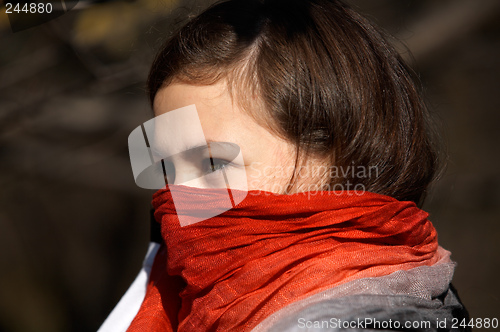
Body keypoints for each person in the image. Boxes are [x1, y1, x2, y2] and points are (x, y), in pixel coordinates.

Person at [99, 0, 469, 331]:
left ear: (340, 153)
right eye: (168, 170)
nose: (182, 203)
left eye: (213, 163)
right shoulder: (179, 303)